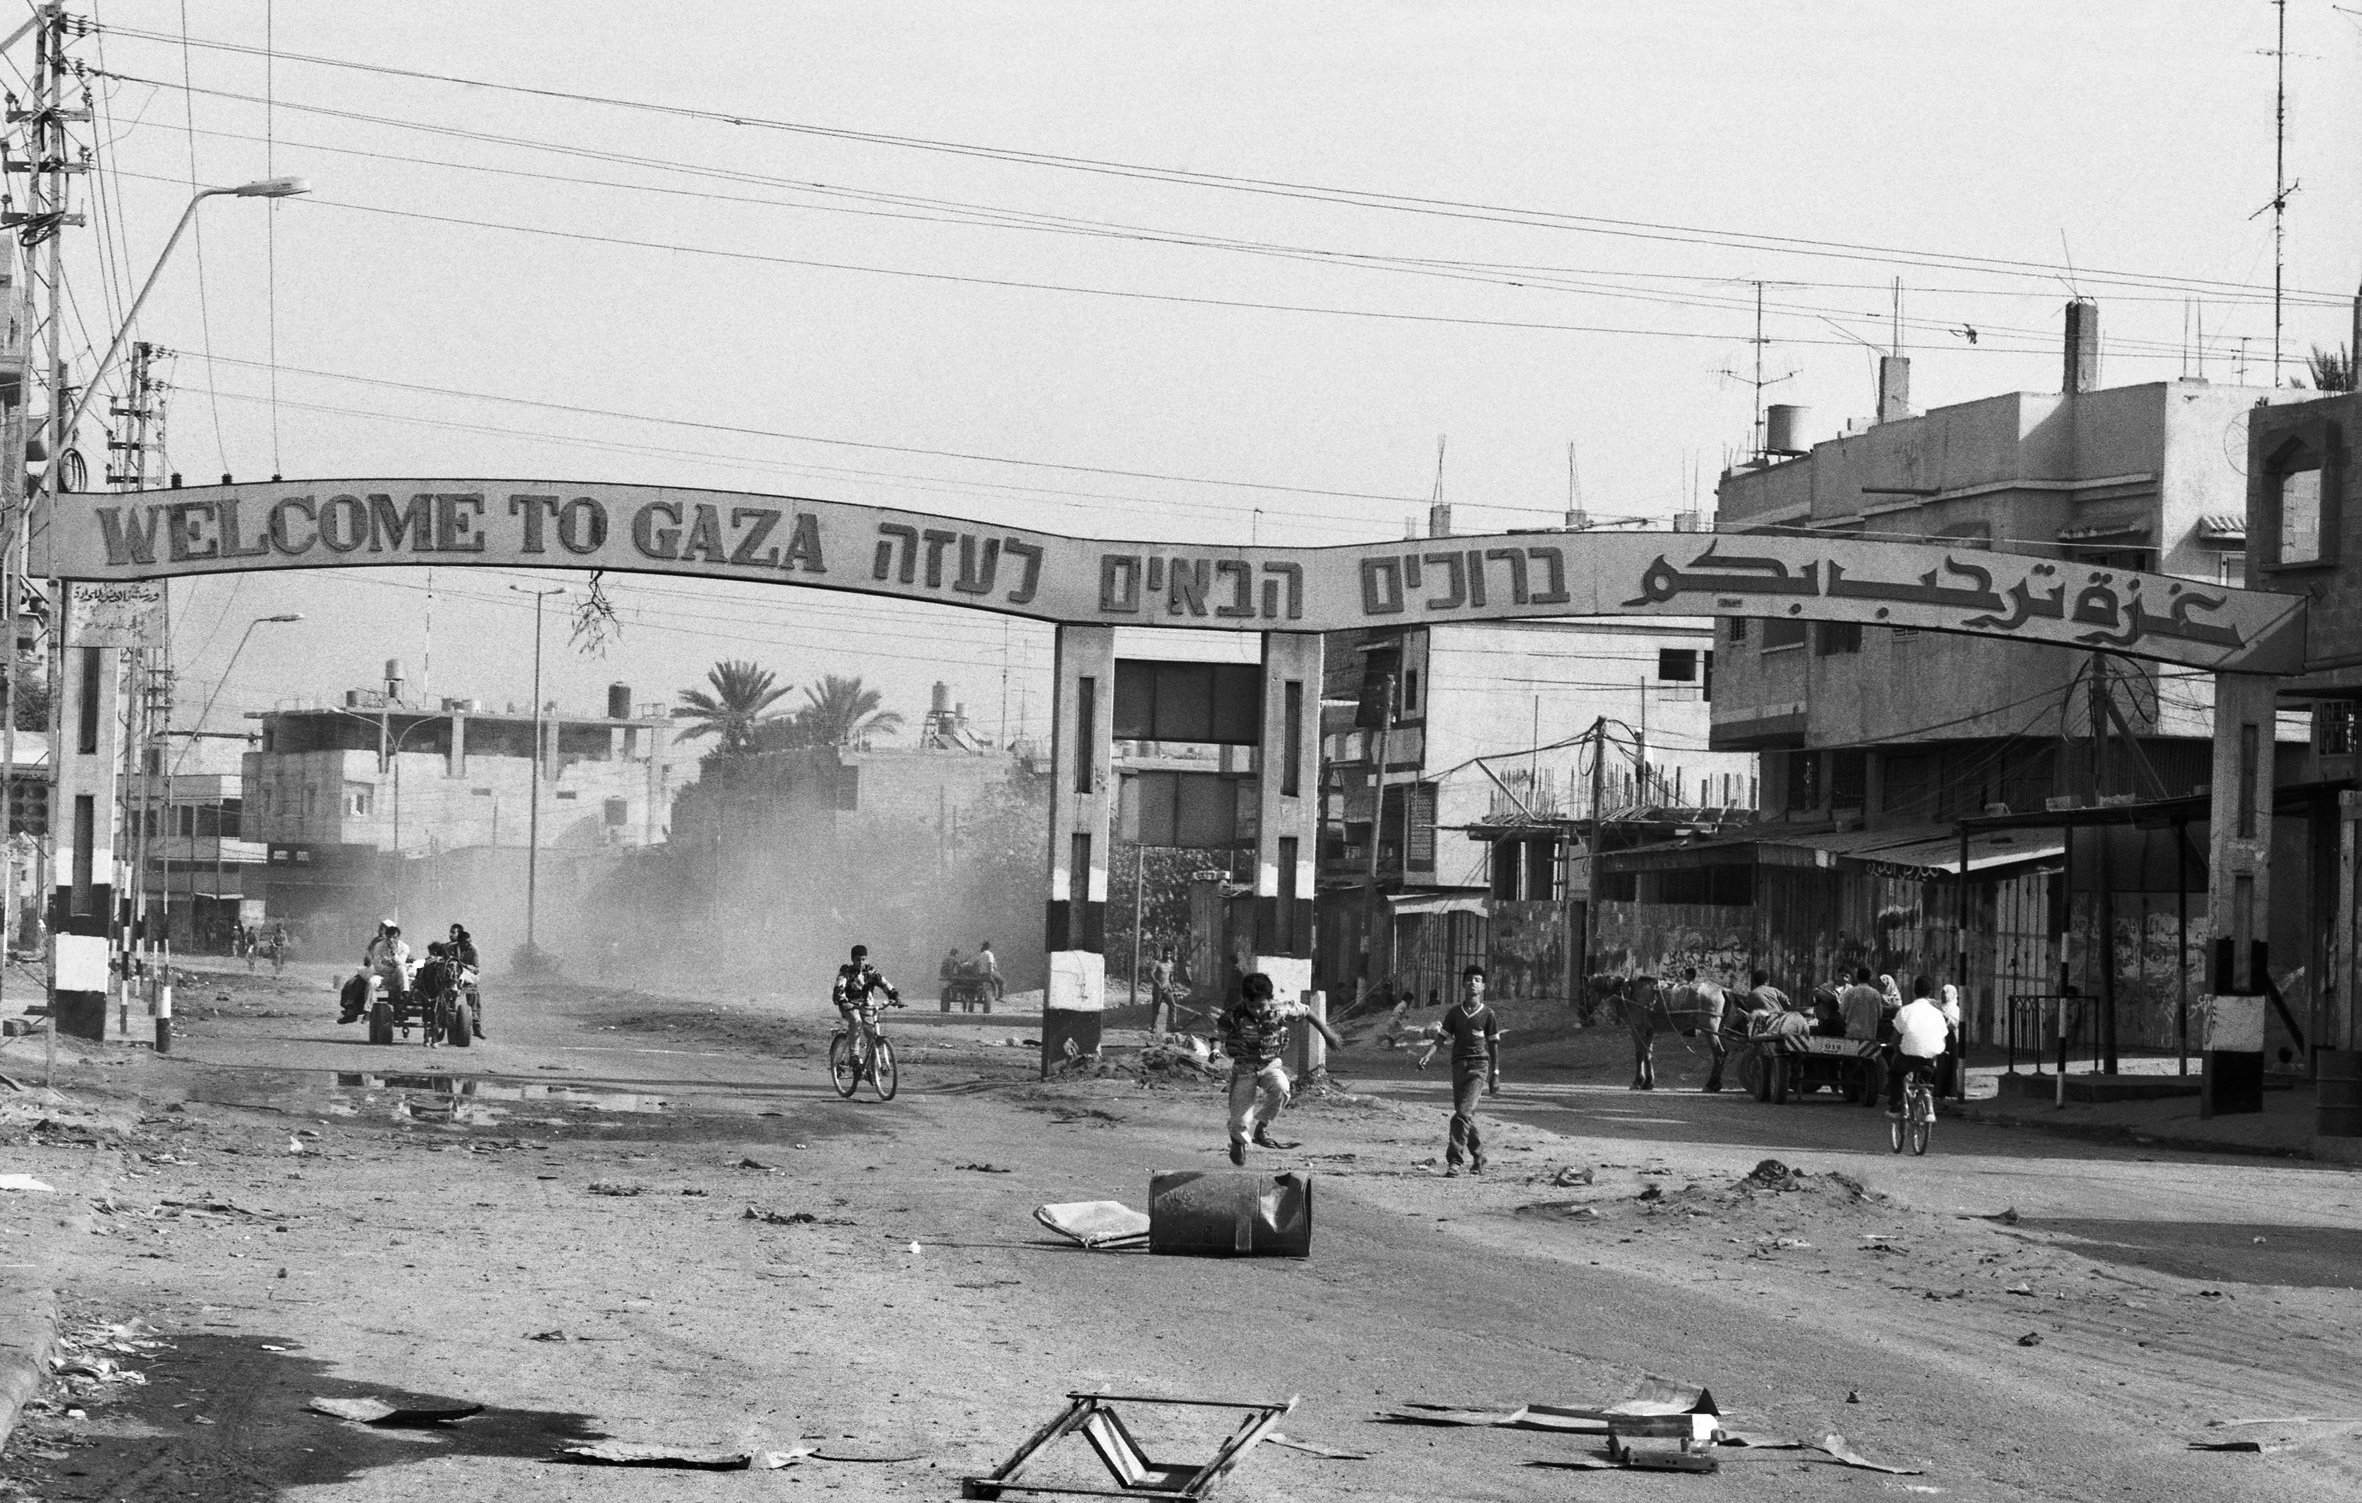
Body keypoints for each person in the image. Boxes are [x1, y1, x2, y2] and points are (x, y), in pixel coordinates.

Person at [1217, 971, 1345, 1165]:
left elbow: (1307, 1012)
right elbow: (1218, 1035)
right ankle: (1237, 1141)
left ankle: (1261, 1128)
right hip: (1244, 1069)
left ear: (1270, 1000)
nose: (1257, 1011)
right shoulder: (1234, 1014)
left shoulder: (1281, 1009)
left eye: (1261, 1006)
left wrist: (1328, 1035)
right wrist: (1214, 1050)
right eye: (1251, 1006)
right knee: (1239, 1122)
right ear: (1244, 1001)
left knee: (1282, 1089)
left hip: (1270, 1064)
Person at [1421, 965, 1501, 1175]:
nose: (1472, 983)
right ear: (1463, 984)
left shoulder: (1488, 1014)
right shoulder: (1455, 1013)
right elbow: (1441, 1038)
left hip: (1479, 1067)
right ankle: (1479, 1156)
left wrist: (1495, 1074)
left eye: (1477, 980)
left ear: (1483, 986)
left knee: (1462, 1113)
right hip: (1458, 1065)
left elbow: (1493, 1045)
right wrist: (1427, 1056)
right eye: (1469, 979)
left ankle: (1454, 1161)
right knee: (1464, 1115)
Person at [1887, 974, 1950, 1118]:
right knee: (1924, 1079)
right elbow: (1943, 1038)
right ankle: (1926, 1097)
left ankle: (1895, 1106)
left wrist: (1897, 1050)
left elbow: (1895, 1038)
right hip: (1930, 1058)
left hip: (1908, 1057)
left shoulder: (1905, 1010)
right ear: (1931, 992)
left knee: (1895, 1073)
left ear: (1914, 991)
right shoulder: (1937, 1014)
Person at [1669, 965, 1730, 1092]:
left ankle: (1715, 1081)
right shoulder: (1688, 986)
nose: (1684, 976)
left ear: (1689, 975)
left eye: (1685, 974)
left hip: (1699, 1010)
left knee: (1716, 1046)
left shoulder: (1686, 988)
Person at [833, 945, 900, 1042]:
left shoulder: (870, 972)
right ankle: (854, 1055)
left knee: (872, 1032)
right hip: (850, 1005)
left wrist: (895, 996)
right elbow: (840, 986)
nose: (861, 963)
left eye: (863, 959)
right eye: (858, 960)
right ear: (852, 959)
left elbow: (884, 983)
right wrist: (842, 999)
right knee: (856, 1022)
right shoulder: (846, 971)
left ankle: (873, 1055)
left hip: (866, 1006)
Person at [447, 924, 484, 1039]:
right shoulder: (449, 947)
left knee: (473, 993)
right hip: (453, 975)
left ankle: (476, 1025)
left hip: (467, 976)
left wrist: (462, 965)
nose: (468, 944)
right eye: (465, 942)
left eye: (454, 932)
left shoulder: (473, 949)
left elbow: (475, 968)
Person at [1839, 967, 1884, 1041]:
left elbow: (1842, 1012)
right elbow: (1879, 1014)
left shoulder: (1850, 992)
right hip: (1869, 1034)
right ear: (1869, 978)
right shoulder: (1875, 994)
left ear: (1857, 978)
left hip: (1851, 1033)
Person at [1147, 946, 1178, 1036]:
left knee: (1173, 1005)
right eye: (1166, 953)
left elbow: (1171, 975)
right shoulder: (1157, 963)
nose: (1167, 955)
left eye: (1169, 953)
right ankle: (1153, 1026)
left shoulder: (1171, 964)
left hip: (1167, 988)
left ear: (1171, 954)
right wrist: (1156, 982)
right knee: (1156, 1007)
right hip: (1158, 989)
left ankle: (1172, 1025)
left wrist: (1172, 985)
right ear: (1163, 953)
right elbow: (1151, 973)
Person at [974, 940, 1003, 1004]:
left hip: (981, 974)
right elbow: (990, 964)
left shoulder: (980, 955)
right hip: (989, 973)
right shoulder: (989, 954)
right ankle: (999, 997)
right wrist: (990, 974)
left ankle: (980, 997)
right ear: (989, 947)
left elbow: (976, 965)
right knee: (1001, 981)